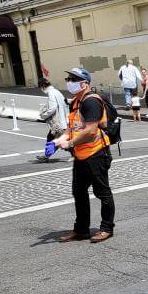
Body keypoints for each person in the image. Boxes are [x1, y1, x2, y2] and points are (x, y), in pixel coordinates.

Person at [53, 68, 115, 243]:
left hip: (96, 153)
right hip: (81, 155)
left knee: (102, 192)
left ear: (85, 83)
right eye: (68, 78)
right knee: (78, 192)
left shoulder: (91, 102)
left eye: (73, 79)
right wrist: (62, 138)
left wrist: (70, 143)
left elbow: (90, 131)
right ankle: (81, 230)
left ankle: (107, 228)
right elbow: (71, 126)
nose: (69, 81)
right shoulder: (75, 102)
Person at [36, 77, 70, 162]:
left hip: (58, 122)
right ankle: (46, 156)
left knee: (59, 138)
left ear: (42, 86)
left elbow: (52, 108)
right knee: (54, 138)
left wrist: (44, 115)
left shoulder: (51, 93)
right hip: (63, 120)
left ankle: (46, 156)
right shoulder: (57, 92)